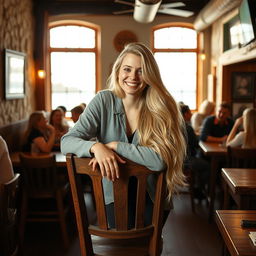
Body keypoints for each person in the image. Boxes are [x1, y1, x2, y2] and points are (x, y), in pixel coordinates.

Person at [61, 42, 186, 228]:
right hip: (114, 197)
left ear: (150, 75)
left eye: (141, 71)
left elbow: (160, 160)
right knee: (123, 244)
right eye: (127, 69)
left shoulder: (162, 107)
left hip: (153, 198)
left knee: (145, 247)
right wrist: (97, 147)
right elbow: (66, 142)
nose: (133, 77)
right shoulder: (103, 101)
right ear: (118, 71)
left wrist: (116, 146)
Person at [179, 103, 210, 200]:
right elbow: (196, 144)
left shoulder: (172, 125)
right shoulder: (187, 127)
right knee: (207, 166)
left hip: (174, 161)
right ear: (185, 114)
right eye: (189, 112)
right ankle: (197, 189)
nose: (191, 114)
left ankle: (196, 185)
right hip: (186, 161)